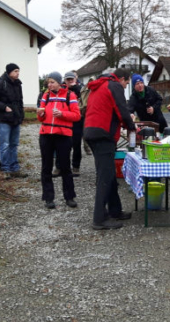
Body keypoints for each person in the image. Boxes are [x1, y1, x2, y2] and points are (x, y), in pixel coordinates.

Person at [84, 68, 136, 230]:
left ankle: (115, 210)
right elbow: (122, 110)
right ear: (121, 79)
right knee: (104, 177)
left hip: (91, 131)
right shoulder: (113, 86)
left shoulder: (100, 85)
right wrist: (132, 128)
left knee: (110, 173)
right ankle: (99, 219)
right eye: (127, 82)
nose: (126, 85)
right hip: (103, 135)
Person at [37, 71, 81, 209]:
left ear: (58, 82)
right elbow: (41, 117)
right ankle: (48, 198)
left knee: (65, 167)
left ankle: (69, 197)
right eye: (48, 82)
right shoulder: (46, 95)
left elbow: (77, 115)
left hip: (63, 135)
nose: (49, 85)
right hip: (46, 134)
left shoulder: (70, 95)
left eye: (52, 82)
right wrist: (41, 114)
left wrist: (62, 114)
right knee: (46, 167)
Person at [0, 63, 28, 179]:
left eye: (18, 71)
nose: (18, 73)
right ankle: (5, 169)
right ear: (9, 72)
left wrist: (21, 115)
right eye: (15, 71)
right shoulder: (0, 83)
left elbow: (20, 101)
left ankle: (15, 168)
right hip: (4, 119)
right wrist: (4, 107)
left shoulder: (18, 84)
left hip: (15, 118)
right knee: (5, 144)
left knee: (14, 144)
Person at [53, 71, 84, 177]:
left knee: (76, 144)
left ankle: (76, 167)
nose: (70, 81)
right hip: (63, 120)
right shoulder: (60, 91)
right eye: (68, 79)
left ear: (75, 79)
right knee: (61, 145)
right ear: (64, 80)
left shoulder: (81, 90)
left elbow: (84, 105)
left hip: (77, 121)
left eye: (72, 79)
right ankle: (59, 166)